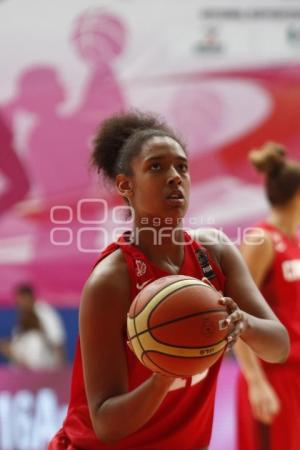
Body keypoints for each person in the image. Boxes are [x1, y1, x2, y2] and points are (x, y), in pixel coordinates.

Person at [48, 112, 289, 450]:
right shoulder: (111, 280)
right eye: (157, 167)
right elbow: (105, 423)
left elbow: (279, 346)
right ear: (125, 185)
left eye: (182, 167)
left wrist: (242, 323)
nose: (175, 176)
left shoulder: (214, 252)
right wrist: (164, 374)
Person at [234, 142, 300, 450]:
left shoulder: (293, 242)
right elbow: (237, 312)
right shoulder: (262, 238)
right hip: (272, 377)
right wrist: (256, 382)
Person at [0, 284, 66, 369]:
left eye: (22, 300)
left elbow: (57, 343)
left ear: (30, 298)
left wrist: (59, 372)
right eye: (18, 302)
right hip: (24, 370)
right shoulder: (22, 317)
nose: (20, 305)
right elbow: (16, 346)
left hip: (43, 370)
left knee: (35, 340)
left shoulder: (45, 314)